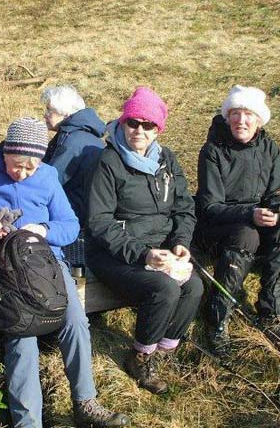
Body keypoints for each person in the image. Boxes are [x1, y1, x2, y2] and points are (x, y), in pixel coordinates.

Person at [0, 117, 129, 428]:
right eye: (17, 165)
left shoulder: (49, 176)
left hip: (47, 265)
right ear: (5, 153)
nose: (23, 173)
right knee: (22, 336)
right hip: (4, 272)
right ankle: (28, 422)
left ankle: (85, 402)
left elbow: (70, 226)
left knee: (76, 321)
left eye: (31, 167)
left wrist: (43, 229)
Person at [86, 87, 203, 394]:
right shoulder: (109, 162)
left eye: (147, 125)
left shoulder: (168, 160)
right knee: (163, 288)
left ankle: (161, 351)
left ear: (157, 129)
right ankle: (140, 357)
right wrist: (144, 255)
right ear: (122, 123)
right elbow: (99, 222)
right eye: (132, 122)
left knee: (194, 287)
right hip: (115, 254)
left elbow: (184, 207)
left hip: (161, 250)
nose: (138, 130)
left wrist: (180, 243)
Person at [196, 85, 280, 354]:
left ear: (258, 120)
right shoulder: (212, 151)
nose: (241, 121)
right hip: (219, 227)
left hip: (257, 218)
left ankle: (271, 311)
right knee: (247, 234)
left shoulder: (269, 148)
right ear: (227, 116)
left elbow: (277, 192)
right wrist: (249, 214)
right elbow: (209, 206)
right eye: (236, 114)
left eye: (248, 115)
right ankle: (217, 318)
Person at [41, 85, 106, 226]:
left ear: (65, 114)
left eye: (49, 110)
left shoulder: (73, 141)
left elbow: (50, 181)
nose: (45, 115)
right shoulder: (81, 135)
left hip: (76, 213)